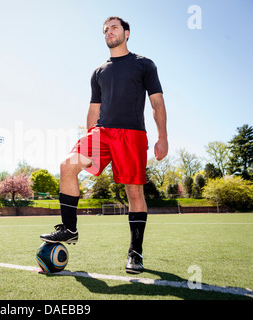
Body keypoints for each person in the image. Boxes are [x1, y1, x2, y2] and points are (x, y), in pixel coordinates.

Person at [40, 16, 168, 274]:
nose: (109, 32)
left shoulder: (144, 65)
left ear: (127, 33)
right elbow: (93, 108)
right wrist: (90, 138)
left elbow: (157, 103)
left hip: (131, 134)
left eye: (114, 28)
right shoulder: (99, 71)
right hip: (102, 133)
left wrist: (162, 136)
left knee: (134, 193)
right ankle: (69, 229)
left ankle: (135, 252)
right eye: (105, 30)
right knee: (68, 165)